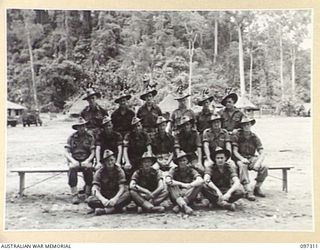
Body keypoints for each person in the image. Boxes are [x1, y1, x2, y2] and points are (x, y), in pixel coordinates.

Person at [232, 116, 268, 201]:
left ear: (250, 125)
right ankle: (248, 190)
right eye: (244, 125)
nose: (246, 127)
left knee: (264, 167)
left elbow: (262, 151)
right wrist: (241, 158)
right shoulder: (238, 136)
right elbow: (235, 151)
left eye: (248, 124)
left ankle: (257, 187)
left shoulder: (254, 137)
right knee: (242, 165)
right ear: (242, 126)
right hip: (240, 157)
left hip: (251, 157)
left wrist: (258, 162)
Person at [87, 150, 131, 215]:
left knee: (128, 195)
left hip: (116, 196)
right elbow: (95, 188)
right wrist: (102, 199)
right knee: (90, 200)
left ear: (115, 160)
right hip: (104, 196)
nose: (110, 162)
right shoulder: (99, 172)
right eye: (107, 160)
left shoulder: (119, 171)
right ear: (104, 162)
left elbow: (122, 188)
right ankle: (117, 208)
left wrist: (115, 199)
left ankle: (106, 210)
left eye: (111, 160)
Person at [64, 117, 95, 204]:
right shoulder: (72, 137)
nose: (81, 128)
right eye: (79, 126)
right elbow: (66, 152)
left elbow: (93, 152)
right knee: (72, 169)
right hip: (75, 159)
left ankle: (88, 194)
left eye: (83, 126)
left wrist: (88, 160)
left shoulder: (90, 137)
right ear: (76, 127)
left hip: (86, 159)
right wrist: (72, 161)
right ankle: (75, 195)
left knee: (89, 169)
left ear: (85, 126)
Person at [165, 151, 204, 215]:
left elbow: (200, 180)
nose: (182, 162)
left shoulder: (191, 170)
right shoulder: (174, 170)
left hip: (188, 193)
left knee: (199, 185)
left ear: (187, 161)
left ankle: (179, 205)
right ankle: (185, 207)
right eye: (180, 161)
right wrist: (182, 184)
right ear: (177, 162)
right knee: (171, 185)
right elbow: (168, 180)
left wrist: (190, 185)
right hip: (177, 193)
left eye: (184, 160)